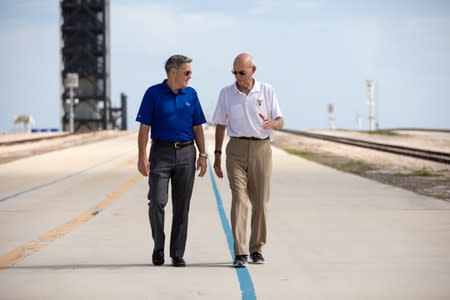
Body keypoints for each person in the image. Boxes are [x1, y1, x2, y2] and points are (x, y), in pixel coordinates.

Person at [212, 53, 284, 267]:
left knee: (260, 202)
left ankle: (256, 248)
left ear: (253, 70)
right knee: (239, 199)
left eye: (241, 72)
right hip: (235, 149)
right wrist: (217, 154)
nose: (237, 76)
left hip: (261, 148)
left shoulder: (266, 90)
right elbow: (220, 124)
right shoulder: (226, 94)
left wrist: (273, 124)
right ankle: (240, 252)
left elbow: (281, 120)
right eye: (234, 72)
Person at [136, 54, 207, 267]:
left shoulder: (191, 94)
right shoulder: (153, 93)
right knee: (157, 202)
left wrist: (203, 154)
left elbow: (197, 127)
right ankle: (158, 247)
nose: (190, 76)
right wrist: (141, 155)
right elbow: (144, 127)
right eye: (187, 72)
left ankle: (177, 253)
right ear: (173, 72)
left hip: (187, 153)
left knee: (182, 205)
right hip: (160, 154)